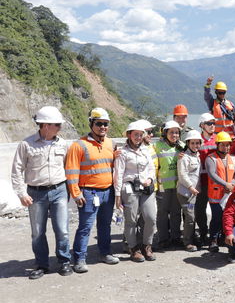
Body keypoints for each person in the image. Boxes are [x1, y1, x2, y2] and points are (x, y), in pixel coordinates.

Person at [11, 106, 72, 279]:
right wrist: (21, 193)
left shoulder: (62, 144)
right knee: (38, 232)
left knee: (62, 230)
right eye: (57, 125)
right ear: (45, 125)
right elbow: (16, 170)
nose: (60, 128)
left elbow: (68, 167)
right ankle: (42, 265)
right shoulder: (26, 144)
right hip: (36, 194)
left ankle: (64, 262)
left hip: (59, 190)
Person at [65, 107, 119, 273]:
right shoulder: (79, 146)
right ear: (91, 124)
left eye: (105, 124)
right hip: (89, 193)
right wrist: (76, 193)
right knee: (85, 227)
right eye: (99, 123)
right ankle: (80, 258)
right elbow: (71, 171)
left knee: (105, 225)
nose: (103, 127)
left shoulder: (110, 143)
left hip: (107, 192)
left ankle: (105, 253)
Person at [114, 121, 157, 263]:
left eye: (140, 135)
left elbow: (151, 169)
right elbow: (118, 174)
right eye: (135, 135)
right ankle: (134, 249)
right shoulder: (123, 152)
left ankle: (147, 245)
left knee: (150, 217)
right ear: (129, 135)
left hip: (146, 187)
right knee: (131, 219)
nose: (138, 137)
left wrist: (150, 180)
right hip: (129, 188)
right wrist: (118, 195)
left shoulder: (146, 150)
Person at [206, 131, 235, 252]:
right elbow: (212, 174)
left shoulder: (234, 159)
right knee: (216, 218)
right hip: (216, 196)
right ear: (217, 144)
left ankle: (225, 237)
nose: (226, 147)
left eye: (228, 144)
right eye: (223, 144)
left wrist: (233, 184)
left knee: (229, 218)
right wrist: (226, 184)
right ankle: (213, 240)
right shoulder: (211, 158)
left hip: (229, 195)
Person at [155, 120, 183, 249]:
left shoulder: (182, 146)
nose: (174, 135)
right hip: (163, 186)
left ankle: (176, 237)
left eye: (177, 133)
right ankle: (163, 238)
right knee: (162, 213)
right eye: (171, 132)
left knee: (176, 212)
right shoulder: (158, 146)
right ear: (165, 133)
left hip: (177, 186)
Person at [177, 130, 203, 252]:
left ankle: (191, 238)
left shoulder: (196, 155)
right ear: (188, 143)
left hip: (193, 193)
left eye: (197, 143)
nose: (195, 145)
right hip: (185, 193)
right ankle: (187, 242)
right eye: (192, 143)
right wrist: (190, 187)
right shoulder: (184, 157)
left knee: (192, 216)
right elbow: (182, 175)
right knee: (190, 217)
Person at [196, 113, 217, 246]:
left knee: (216, 209)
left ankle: (215, 234)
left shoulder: (219, 139)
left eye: (213, 123)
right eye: (209, 123)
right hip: (201, 181)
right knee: (200, 210)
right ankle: (203, 233)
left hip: (215, 181)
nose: (212, 126)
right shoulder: (197, 140)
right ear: (202, 125)